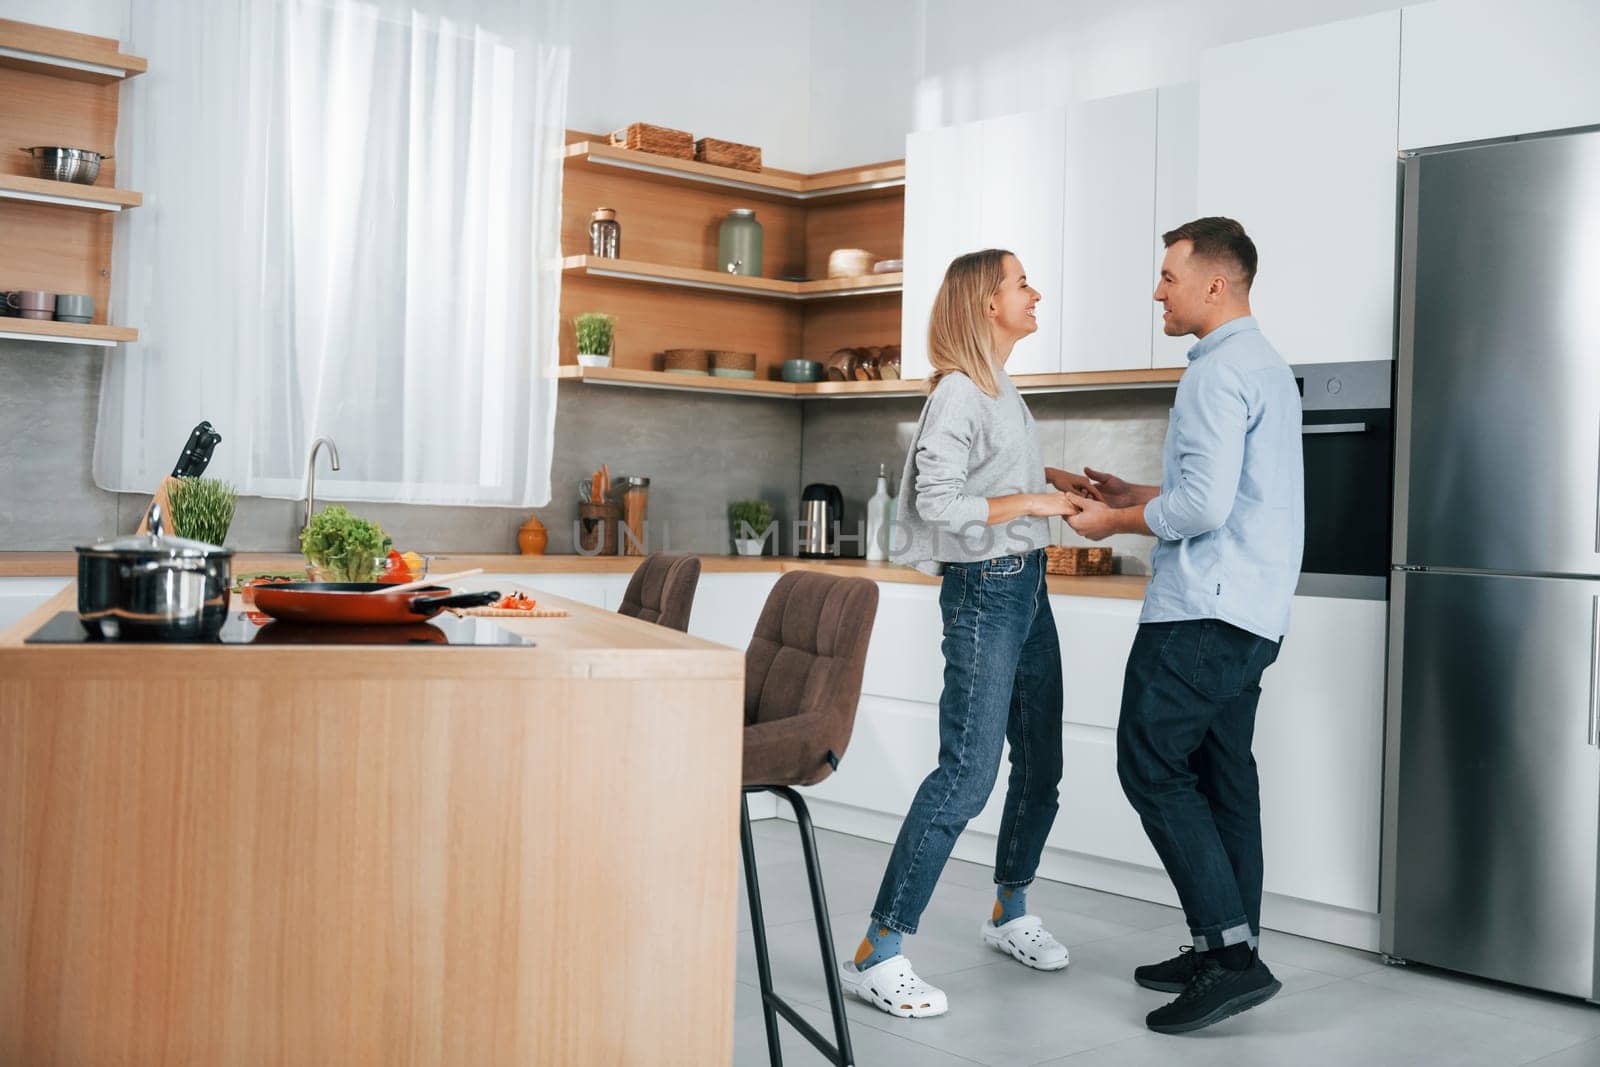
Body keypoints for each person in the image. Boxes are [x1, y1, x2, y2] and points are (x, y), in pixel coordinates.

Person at [1065, 217, 1304, 1035]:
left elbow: (1201, 509)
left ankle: (1231, 960)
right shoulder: (1265, 365)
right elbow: (1228, 494)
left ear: (1215, 283)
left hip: (1201, 609)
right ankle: (1227, 942)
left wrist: (1114, 522)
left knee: (1151, 763)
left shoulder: (1212, 374)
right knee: (1223, 772)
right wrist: (1135, 491)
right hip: (1254, 612)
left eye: (1168, 276)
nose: (1156, 291)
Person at [841, 248, 1094, 1019]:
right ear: (988, 302)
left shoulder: (997, 386)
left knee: (1041, 761)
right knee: (966, 775)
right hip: (986, 592)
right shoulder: (958, 391)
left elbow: (987, 479)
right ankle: (877, 950)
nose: (1036, 291)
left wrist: (1053, 485)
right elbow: (944, 502)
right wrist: (1036, 503)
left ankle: (1008, 909)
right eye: (1022, 283)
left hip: (1025, 585)